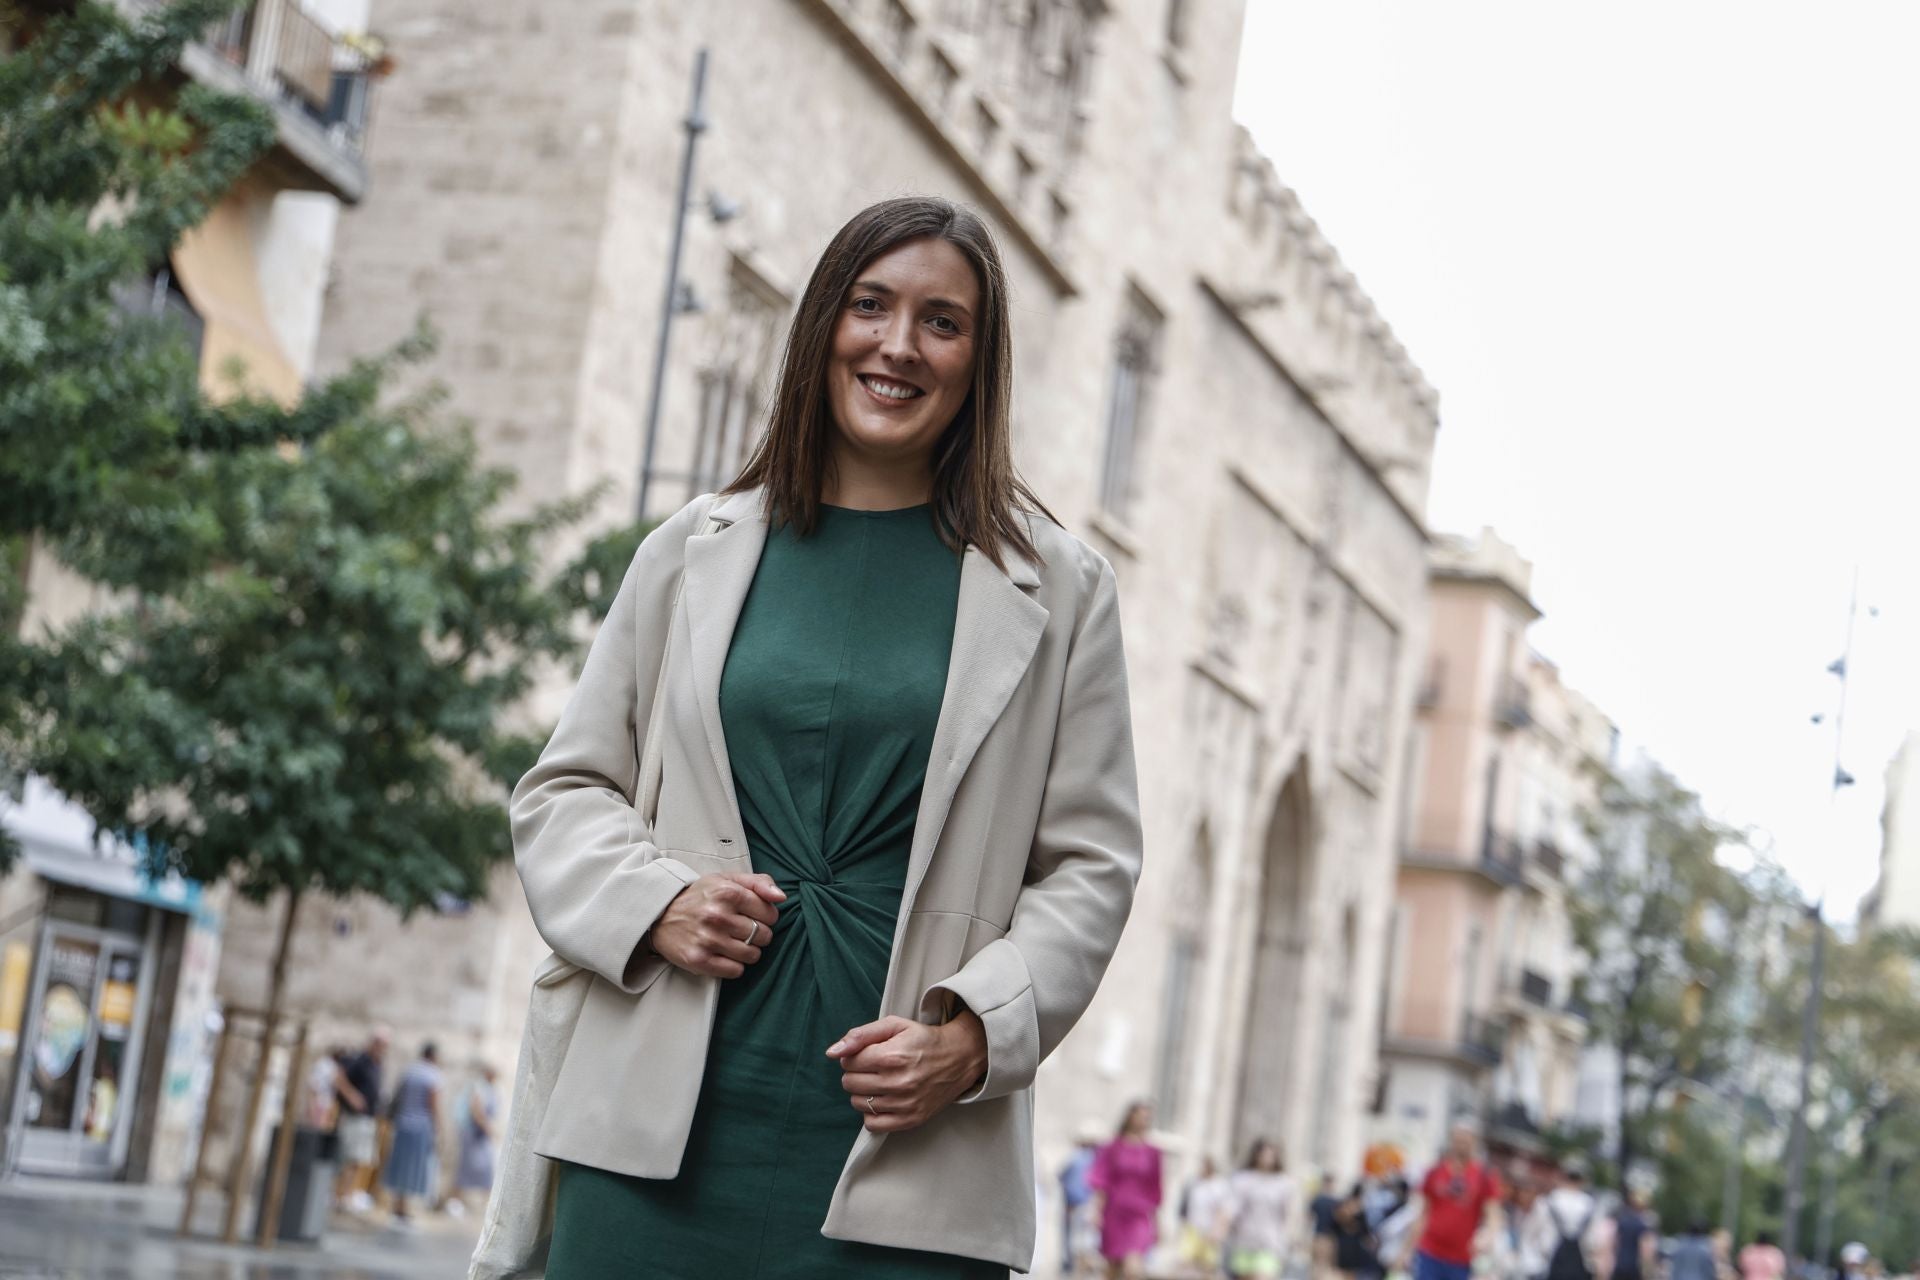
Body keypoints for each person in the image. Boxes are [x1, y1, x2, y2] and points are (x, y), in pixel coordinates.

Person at [507, 196, 1144, 1279]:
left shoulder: (1065, 589)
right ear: (822, 327)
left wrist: (975, 1035)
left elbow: (1092, 861)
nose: (899, 344)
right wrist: (655, 898)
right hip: (649, 1142)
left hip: (910, 1170)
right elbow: (564, 789)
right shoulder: (687, 551)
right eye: (871, 305)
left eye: (942, 322)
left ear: (980, 363)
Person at [1398, 1122, 1506, 1280]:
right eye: (1458, 1140)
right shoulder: (1434, 1172)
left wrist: (1487, 1237)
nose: (1462, 1144)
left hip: (1461, 1259)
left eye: (1466, 1140)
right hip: (1429, 1252)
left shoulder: (1484, 1177)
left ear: (1474, 1142)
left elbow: (1494, 1216)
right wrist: (1406, 1250)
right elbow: (1422, 1214)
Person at [1090, 1101, 1163, 1280]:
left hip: (1139, 1215)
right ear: (1130, 1117)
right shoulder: (1113, 1147)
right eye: (1141, 1115)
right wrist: (1097, 1211)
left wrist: (1158, 1223)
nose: (1144, 1120)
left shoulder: (1153, 1152)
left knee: (1134, 1270)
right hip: (1114, 1212)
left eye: (1147, 1117)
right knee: (1112, 1268)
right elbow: (1102, 1180)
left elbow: (1155, 1187)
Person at [381, 1042, 441, 1225]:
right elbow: (433, 1104)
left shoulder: (409, 1071)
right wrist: (439, 1127)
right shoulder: (432, 1075)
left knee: (400, 1164)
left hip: (402, 1123)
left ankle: (397, 1205)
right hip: (421, 1126)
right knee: (413, 1167)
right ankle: (403, 1207)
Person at [333, 1026, 388, 1212]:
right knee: (349, 1158)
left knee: (358, 1159)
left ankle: (347, 1195)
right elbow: (340, 1079)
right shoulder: (360, 1060)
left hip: (367, 1117)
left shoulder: (376, 1064)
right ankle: (340, 1196)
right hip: (355, 1117)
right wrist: (352, 1096)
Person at [1226, 1138, 1297, 1280]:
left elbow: (1290, 1214)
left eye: (1271, 1155)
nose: (1267, 1159)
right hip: (1244, 1242)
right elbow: (1230, 1208)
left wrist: (1291, 1238)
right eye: (1264, 1154)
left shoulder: (1283, 1183)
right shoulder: (1243, 1179)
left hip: (1270, 1243)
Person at [1519, 1160, 1600, 1280]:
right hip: (1579, 1270)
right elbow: (1593, 1243)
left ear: (1561, 1176)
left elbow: (1528, 1236)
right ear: (1583, 1180)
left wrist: (1531, 1266)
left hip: (1546, 1268)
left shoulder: (1546, 1202)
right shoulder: (1591, 1206)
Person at [448, 1062, 499, 1214]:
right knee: (466, 1167)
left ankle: (489, 1202)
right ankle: (455, 1200)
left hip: (478, 1134)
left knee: (486, 1168)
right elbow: (476, 1109)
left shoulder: (488, 1088)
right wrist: (488, 1128)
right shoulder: (480, 1087)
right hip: (472, 1133)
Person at [1178, 1155, 1234, 1279]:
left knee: (1208, 1267)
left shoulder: (1220, 1185)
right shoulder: (1194, 1183)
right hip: (1192, 1229)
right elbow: (1185, 1206)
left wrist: (1218, 1230)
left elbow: (1225, 1210)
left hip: (1210, 1231)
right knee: (1186, 1264)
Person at [1060, 1135, 1101, 1275]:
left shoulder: (1076, 1158)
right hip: (1089, 1205)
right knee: (1087, 1242)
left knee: (1077, 1242)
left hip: (1078, 1205)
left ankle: (1079, 1269)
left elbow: (1063, 1178)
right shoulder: (1095, 1159)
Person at [1331, 1183, 1381, 1280]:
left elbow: (1364, 1230)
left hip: (1353, 1244)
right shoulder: (1347, 1206)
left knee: (1351, 1273)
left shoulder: (1359, 1209)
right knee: (1344, 1272)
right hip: (1346, 1243)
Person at [1610, 1189, 1656, 1280]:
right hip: (1634, 1267)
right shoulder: (1642, 1225)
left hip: (1619, 1265)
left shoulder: (1621, 1221)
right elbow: (1646, 1251)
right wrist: (1648, 1270)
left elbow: (1613, 1243)